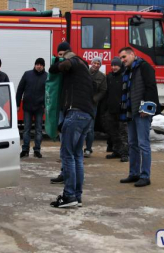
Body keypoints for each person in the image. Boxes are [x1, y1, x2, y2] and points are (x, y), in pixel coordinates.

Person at [48, 42, 93, 208]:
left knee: (67, 156)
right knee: (77, 156)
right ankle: (77, 197)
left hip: (75, 113)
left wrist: (57, 64)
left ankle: (69, 196)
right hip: (87, 115)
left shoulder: (72, 61)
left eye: (62, 55)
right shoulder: (83, 68)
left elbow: (59, 67)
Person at [117, 47, 159, 188]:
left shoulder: (144, 67)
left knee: (143, 144)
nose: (122, 60)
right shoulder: (127, 71)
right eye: (121, 58)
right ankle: (134, 173)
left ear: (132, 55)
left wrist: (147, 108)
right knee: (132, 144)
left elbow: (151, 87)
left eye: (124, 57)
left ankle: (145, 176)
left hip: (141, 112)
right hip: (130, 112)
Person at [17, 58, 48, 159]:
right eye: (37, 64)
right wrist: (17, 104)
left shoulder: (47, 76)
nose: (38, 66)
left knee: (39, 130)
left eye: (41, 64)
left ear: (43, 66)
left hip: (39, 107)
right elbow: (20, 89)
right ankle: (25, 149)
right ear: (34, 65)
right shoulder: (27, 74)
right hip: (27, 107)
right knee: (26, 129)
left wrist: (46, 106)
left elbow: (49, 93)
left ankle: (37, 150)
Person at [103, 57, 129, 162]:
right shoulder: (109, 77)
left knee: (123, 133)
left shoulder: (125, 77)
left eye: (116, 65)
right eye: (112, 65)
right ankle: (116, 150)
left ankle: (125, 153)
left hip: (122, 110)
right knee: (113, 132)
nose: (114, 67)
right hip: (111, 109)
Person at [83, 57, 107, 158]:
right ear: (91, 63)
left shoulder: (102, 77)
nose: (96, 65)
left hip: (92, 105)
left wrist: (94, 99)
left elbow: (103, 90)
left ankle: (88, 148)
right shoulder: (84, 73)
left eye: (98, 64)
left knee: (90, 128)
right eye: (95, 63)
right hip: (82, 104)